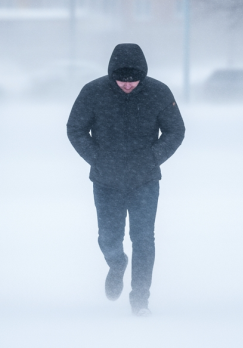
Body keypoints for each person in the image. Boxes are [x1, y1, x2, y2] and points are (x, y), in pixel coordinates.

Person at [67, 43, 185, 316]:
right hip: (106, 180)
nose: (128, 85)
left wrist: (153, 157)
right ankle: (117, 263)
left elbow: (175, 130)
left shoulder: (158, 92)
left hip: (144, 179)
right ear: (112, 74)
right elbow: (75, 128)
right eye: (122, 80)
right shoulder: (93, 92)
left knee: (143, 239)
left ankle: (140, 299)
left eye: (134, 80)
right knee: (109, 237)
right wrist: (97, 158)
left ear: (142, 75)